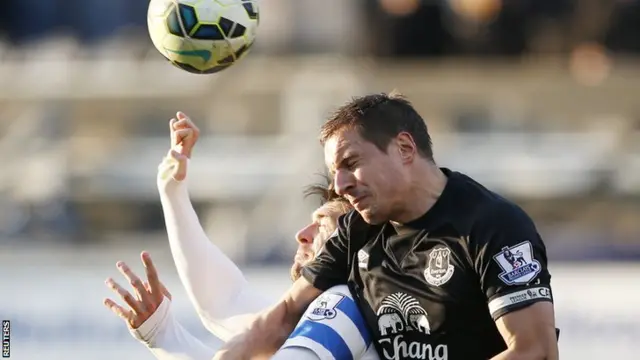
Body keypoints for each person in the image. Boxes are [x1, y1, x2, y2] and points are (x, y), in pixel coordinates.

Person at [212, 92, 559, 360]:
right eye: (335, 172)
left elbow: (535, 350)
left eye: (350, 163)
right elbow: (284, 315)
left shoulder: (491, 224)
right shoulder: (356, 231)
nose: (339, 185)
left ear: (404, 148)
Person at [103, 113, 378, 360]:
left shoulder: (343, 307)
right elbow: (226, 301)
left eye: (322, 225)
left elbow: (226, 304)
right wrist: (161, 334)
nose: (301, 235)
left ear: (351, 245)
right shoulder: (317, 312)